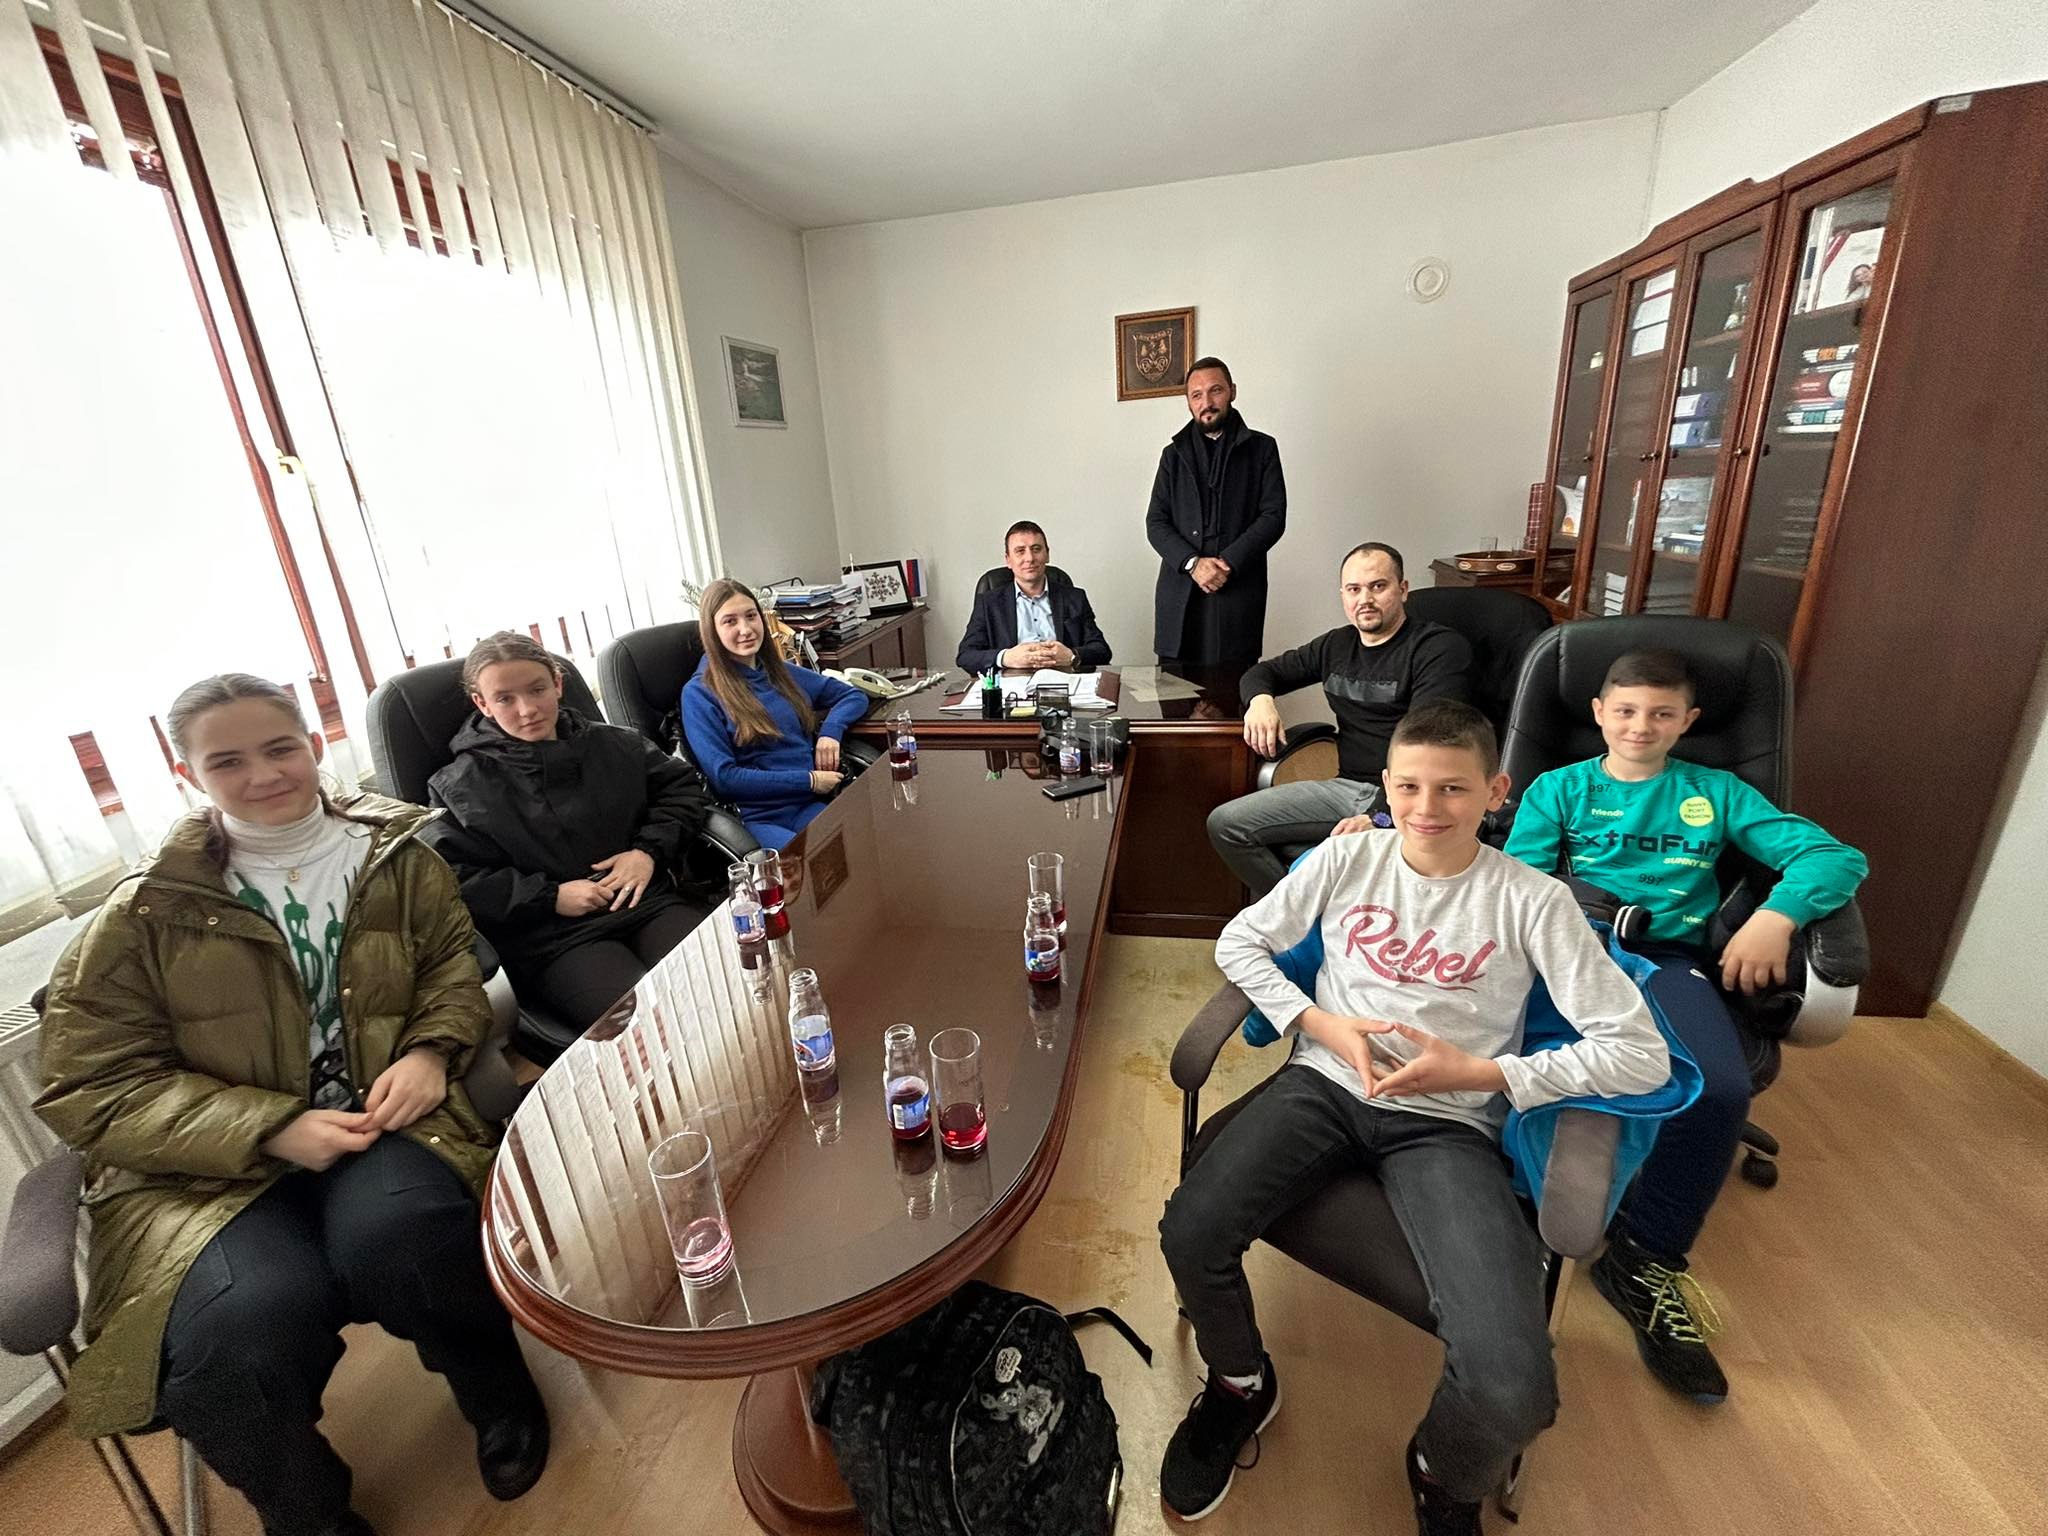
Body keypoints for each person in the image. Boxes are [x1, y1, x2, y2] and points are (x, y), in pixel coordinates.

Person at [35, 673, 548, 1536]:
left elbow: (450, 972)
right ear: (186, 773)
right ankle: (308, 1515)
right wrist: (269, 1127)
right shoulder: (143, 915)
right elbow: (92, 1084)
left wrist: (429, 1051)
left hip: (377, 1122)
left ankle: (501, 1401)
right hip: (198, 1175)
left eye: (280, 748)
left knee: (412, 1240)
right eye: (228, 761)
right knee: (236, 1333)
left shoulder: (398, 859)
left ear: (312, 744)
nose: (264, 774)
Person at [1159, 701, 1668, 1533]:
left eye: (1453, 789)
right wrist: (1317, 1022)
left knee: (1514, 1388)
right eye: (1408, 787)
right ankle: (1240, 1383)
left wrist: (1488, 1072)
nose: (1426, 809)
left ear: (1496, 791)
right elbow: (1240, 942)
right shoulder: (1346, 859)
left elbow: (1640, 1054)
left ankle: (1442, 1469)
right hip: (1324, 1086)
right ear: (1384, 787)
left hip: (1448, 1125)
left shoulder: (1533, 902)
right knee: (1189, 1230)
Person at [1504, 647, 1867, 1406]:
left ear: (1688, 722)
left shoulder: (1717, 792)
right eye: (1626, 710)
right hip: (1573, 952)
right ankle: (1511, 1221)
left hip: (1670, 961)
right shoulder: (1558, 788)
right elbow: (1520, 885)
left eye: (1662, 714)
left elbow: (1835, 859)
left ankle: (1643, 1259)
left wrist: (1776, 916)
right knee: (1524, 1063)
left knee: (1719, 1088)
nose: (1641, 726)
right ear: (1598, 713)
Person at [423, 631, 712, 1033]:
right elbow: (455, 879)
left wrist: (646, 851)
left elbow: (681, 789)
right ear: (482, 704)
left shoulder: (615, 744)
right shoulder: (458, 786)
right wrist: (549, 897)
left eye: (537, 689)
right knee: (648, 1026)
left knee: (717, 982)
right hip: (558, 939)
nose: (527, 710)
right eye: (505, 699)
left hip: (648, 902)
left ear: (558, 684)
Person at [1207, 542, 1472, 898]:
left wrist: (1380, 817)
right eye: (1354, 589)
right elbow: (1261, 672)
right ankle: (1303, 916)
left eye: (1378, 586)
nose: (1365, 599)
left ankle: (1316, 913)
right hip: (1345, 787)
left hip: (1410, 795)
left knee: (1319, 857)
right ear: (1343, 595)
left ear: (1403, 589)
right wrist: (1260, 701)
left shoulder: (1438, 649)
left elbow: (1428, 748)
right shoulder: (1335, 646)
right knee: (1226, 824)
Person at [683, 578, 869, 850]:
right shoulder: (699, 693)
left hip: (808, 805)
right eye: (730, 621)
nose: (746, 629)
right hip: (759, 818)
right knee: (810, 865)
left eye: (751, 616)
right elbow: (724, 778)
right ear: (711, 630)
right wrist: (808, 780)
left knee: (863, 847)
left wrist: (831, 732)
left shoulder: (779, 672)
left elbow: (853, 696)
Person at [1146, 356, 1286, 673]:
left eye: (1215, 391)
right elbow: (1155, 522)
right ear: (1188, 402)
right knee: (1174, 694)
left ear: (1232, 391)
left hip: (1237, 589)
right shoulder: (1172, 455)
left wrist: (1227, 563)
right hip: (1180, 592)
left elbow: (1273, 516)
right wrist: (1193, 564)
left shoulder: (1263, 448)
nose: (1206, 402)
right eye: (1196, 395)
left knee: (1234, 693)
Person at [955, 520, 1112, 673]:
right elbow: (966, 656)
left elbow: (1101, 650)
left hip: (1063, 681)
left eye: (1036, 549)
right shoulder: (989, 603)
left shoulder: (1075, 598)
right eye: (1020, 551)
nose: (1030, 558)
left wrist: (1071, 656)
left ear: (1047, 555)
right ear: (1008, 560)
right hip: (1011, 684)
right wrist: (1006, 657)